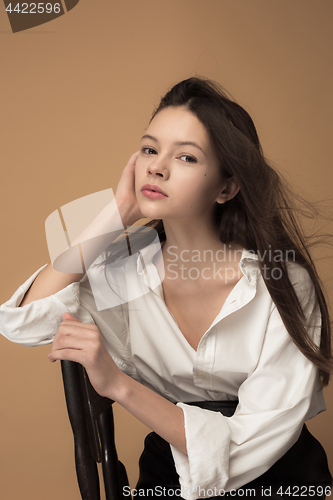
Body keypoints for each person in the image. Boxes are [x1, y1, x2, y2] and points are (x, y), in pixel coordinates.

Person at [0, 77, 332, 499]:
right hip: (168, 473)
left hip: (279, 478)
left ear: (228, 187)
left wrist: (119, 385)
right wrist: (119, 211)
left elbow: (251, 444)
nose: (157, 167)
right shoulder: (122, 274)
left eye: (187, 157)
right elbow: (21, 321)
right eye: (150, 149)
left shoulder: (280, 283)